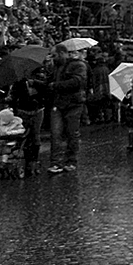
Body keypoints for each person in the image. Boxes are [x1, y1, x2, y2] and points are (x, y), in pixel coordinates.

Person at [47, 45, 88, 174]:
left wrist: (56, 85)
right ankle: (56, 163)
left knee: (71, 133)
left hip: (74, 103)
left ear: (62, 53)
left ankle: (71, 161)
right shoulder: (56, 67)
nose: (53, 58)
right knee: (56, 133)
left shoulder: (78, 65)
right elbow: (49, 82)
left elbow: (78, 82)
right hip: (59, 103)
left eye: (55, 55)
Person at [7, 56, 50, 175]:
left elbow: (47, 88)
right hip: (23, 110)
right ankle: (26, 157)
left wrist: (35, 83)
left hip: (37, 110)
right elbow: (14, 94)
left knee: (35, 135)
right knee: (23, 135)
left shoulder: (40, 76)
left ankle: (33, 160)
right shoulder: (19, 81)